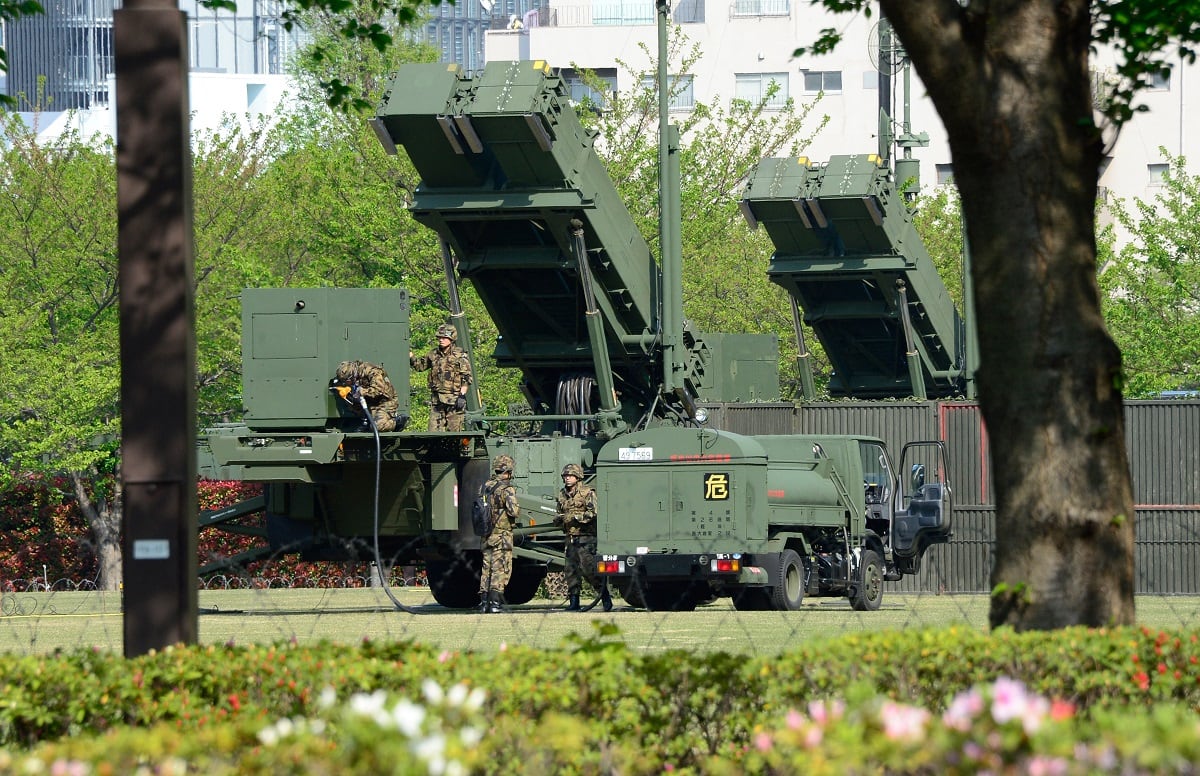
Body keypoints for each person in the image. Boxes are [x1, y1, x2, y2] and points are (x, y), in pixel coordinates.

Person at [555, 463, 612, 612]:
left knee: (589, 569)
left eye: (570, 476)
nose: (567, 478)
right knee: (570, 570)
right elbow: (560, 512)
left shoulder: (588, 493)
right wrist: (559, 519)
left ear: (578, 477)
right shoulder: (562, 494)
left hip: (586, 537)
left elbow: (593, 513)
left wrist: (575, 517)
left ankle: (604, 597)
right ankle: (574, 602)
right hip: (570, 537)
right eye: (565, 476)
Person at [410, 323, 473, 431]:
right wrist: (411, 356)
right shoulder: (433, 354)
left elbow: (466, 377)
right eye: (439, 337)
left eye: (444, 337)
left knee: (453, 434)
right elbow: (420, 366)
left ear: (451, 338)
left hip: (454, 401)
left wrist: (462, 395)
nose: (441, 340)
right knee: (433, 433)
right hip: (437, 400)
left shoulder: (459, 355)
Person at [479, 454, 520, 613]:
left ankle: (484, 603)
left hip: (486, 534)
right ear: (508, 472)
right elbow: (514, 511)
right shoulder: (506, 489)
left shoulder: (484, 487)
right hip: (502, 535)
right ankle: (495, 604)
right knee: (500, 568)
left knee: (486, 568)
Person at [330, 360, 399, 432]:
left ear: (352, 376)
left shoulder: (371, 371)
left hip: (385, 401)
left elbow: (379, 389)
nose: (346, 383)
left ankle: (397, 422)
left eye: (347, 381)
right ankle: (366, 421)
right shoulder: (350, 376)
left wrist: (363, 391)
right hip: (370, 402)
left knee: (377, 427)